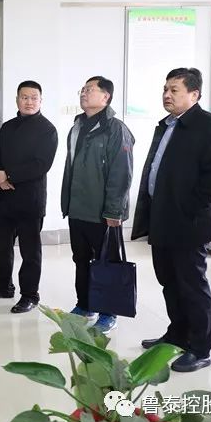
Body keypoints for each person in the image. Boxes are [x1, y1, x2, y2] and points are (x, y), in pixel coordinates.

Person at [132, 68, 211, 373]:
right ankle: (177, 334)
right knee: (169, 282)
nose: (167, 95)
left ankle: (200, 349)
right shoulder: (167, 125)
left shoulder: (210, 127)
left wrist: (189, 206)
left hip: (188, 222)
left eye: (174, 90)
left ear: (194, 94)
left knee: (192, 286)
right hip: (163, 218)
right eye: (165, 89)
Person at [61, 76, 134, 334]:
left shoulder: (116, 129)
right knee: (81, 259)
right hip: (77, 209)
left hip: (102, 212)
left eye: (90, 90)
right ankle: (85, 304)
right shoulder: (77, 126)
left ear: (106, 97)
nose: (83, 93)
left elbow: (121, 173)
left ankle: (108, 312)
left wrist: (114, 210)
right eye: (82, 89)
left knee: (107, 263)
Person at [0, 80, 58, 312]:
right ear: (17, 100)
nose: (29, 102)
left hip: (30, 201)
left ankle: (30, 295)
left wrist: (8, 175)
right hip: (4, 199)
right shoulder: (8, 127)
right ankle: (3, 286)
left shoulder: (47, 130)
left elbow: (41, 164)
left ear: (41, 101)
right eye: (24, 97)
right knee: (3, 248)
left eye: (34, 98)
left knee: (30, 252)